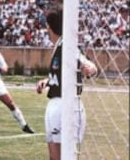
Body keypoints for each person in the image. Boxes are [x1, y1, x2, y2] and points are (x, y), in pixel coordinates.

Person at [36, 10, 97, 160]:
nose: (46, 31)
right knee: (56, 155)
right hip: (57, 104)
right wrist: (48, 81)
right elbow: (64, 73)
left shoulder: (67, 45)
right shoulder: (59, 46)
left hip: (65, 105)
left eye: (47, 27)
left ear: (50, 27)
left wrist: (91, 69)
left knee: (63, 155)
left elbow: (86, 62)